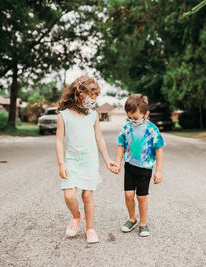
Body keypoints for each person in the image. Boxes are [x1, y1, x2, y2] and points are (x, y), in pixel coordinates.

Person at [55, 75, 117, 243]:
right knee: (69, 195)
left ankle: (90, 228)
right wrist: (61, 164)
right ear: (80, 94)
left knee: (87, 196)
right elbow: (59, 141)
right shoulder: (64, 115)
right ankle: (76, 217)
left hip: (89, 160)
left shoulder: (93, 115)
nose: (95, 99)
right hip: (72, 161)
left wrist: (107, 160)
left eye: (96, 95)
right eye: (93, 95)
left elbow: (99, 139)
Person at [112, 94, 165, 237]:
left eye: (135, 118)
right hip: (129, 166)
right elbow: (120, 145)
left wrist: (158, 171)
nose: (132, 120)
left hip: (145, 168)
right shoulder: (126, 128)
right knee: (128, 195)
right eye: (129, 117)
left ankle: (143, 223)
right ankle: (132, 219)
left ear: (146, 114)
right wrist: (117, 162)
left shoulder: (152, 129)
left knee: (141, 197)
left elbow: (159, 150)